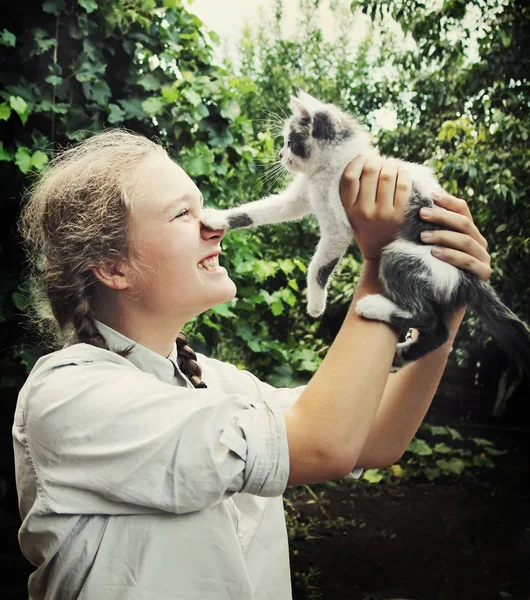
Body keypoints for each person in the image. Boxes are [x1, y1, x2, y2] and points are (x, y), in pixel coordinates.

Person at [13, 129, 491, 600]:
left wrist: (449, 304)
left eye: (203, 207)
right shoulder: (69, 398)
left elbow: (373, 438)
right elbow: (326, 443)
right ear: (113, 266)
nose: (215, 224)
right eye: (183, 214)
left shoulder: (218, 381)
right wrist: (381, 263)